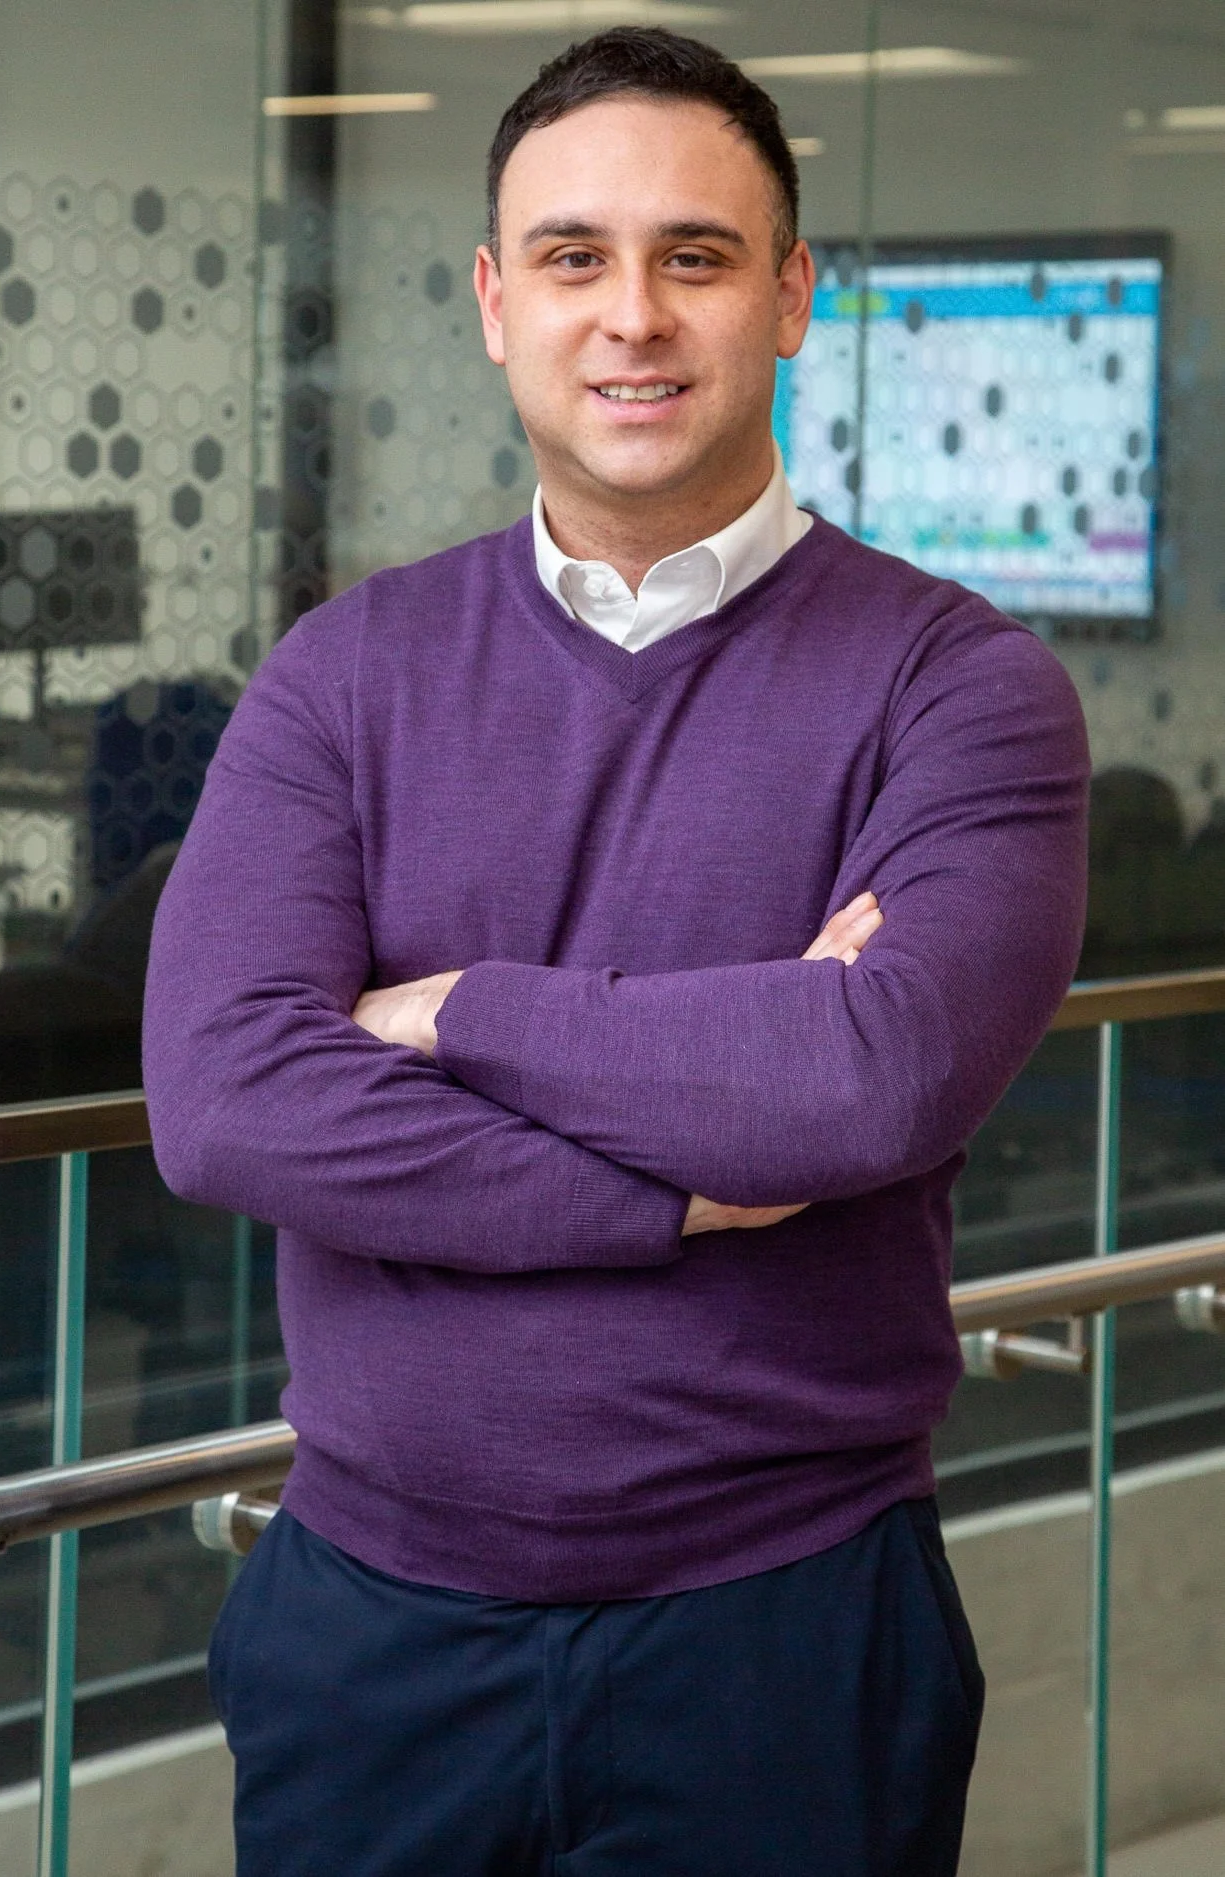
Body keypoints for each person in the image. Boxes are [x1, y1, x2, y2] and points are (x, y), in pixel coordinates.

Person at [143, 27, 1090, 1876]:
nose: (632, 315)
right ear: (498, 305)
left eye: (696, 256)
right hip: (372, 1643)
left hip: (785, 1638)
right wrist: (677, 1184)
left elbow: (865, 1081)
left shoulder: (959, 688)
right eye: (573, 257)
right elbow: (227, 1100)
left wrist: (451, 1011)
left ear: (791, 297)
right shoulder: (344, 677)